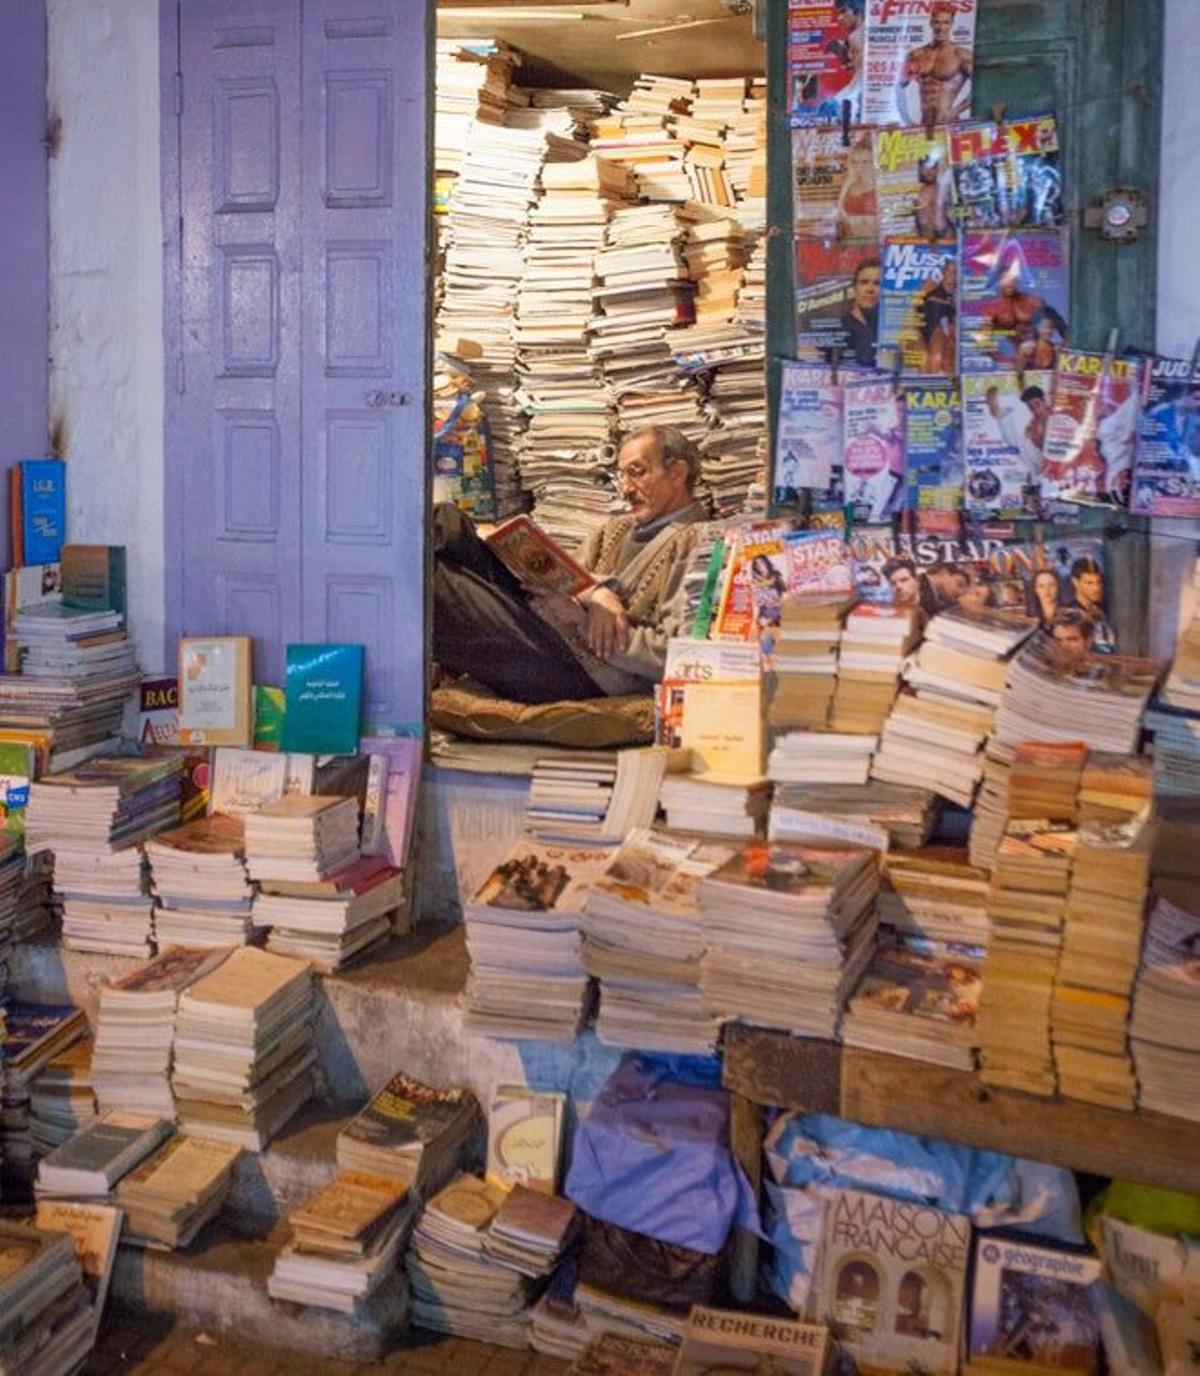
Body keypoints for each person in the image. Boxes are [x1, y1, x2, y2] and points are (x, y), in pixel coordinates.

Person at [432, 426, 709, 704]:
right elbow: (570, 579)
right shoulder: (616, 530)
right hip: (545, 624)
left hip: (586, 670)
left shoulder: (697, 543)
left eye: (637, 472)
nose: (626, 489)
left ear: (677, 473)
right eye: (622, 476)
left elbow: (678, 655)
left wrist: (583, 620)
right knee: (446, 520)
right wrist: (597, 594)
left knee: (431, 580)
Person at [900, 1, 972, 126]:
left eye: (946, 22)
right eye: (937, 22)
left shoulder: (961, 55)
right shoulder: (916, 55)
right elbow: (898, 88)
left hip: (948, 125)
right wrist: (906, 119)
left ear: (951, 24)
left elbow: (979, 89)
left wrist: (955, 112)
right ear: (931, 23)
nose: (941, 28)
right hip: (923, 125)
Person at [1066, 555, 1116, 652]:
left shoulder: (1102, 609)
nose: (1096, 588)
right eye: (1089, 583)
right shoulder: (1070, 615)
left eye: (1098, 582)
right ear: (1075, 582)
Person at [836, 134, 879, 240]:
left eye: (865, 161)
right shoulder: (850, 184)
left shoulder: (879, 185)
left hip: (873, 242)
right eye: (855, 162)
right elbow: (840, 210)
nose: (860, 167)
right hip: (852, 240)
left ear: (873, 162)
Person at [840, 258, 881, 367]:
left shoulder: (893, 326)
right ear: (854, 287)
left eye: (877, 283)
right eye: (864, 282)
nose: (870, 289)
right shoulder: (837, 325)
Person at [918, 260, 957, 374]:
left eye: (955, 272)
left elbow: (952, 324)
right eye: (948, 271)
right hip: (919, 331)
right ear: (943, 273)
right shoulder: (930, 287)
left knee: (938, 358)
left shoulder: (957, 296)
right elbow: (912, 303)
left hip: (938, 332)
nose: (951, 275)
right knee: (924, 361)